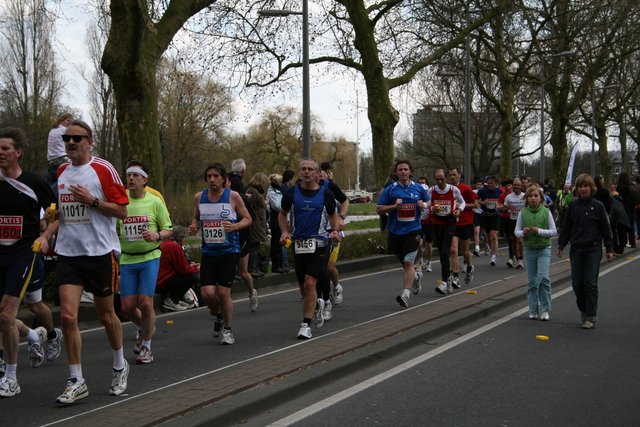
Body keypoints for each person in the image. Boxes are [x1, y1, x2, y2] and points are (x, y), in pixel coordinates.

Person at [53, 120, 130, 403]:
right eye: (67, 138)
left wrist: (93, 202)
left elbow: (122, 211)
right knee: (67, 316)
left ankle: (120, 365)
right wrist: (49, 231)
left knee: (106, 316)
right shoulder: (61, 171)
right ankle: (76, 379)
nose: (71, 143)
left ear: (89, 141)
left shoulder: (103, 169)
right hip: (69, 254)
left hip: (100, 253)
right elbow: (62, 213)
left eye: (77, 138)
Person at [0, 127, 58, 397]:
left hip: (23, 252)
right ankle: (33, 336)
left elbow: (57, 214)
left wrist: (45, 235)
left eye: (5, 149)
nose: (0, 153)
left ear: (18, 153)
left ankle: (10, 377)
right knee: (2, 318)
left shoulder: (34, 183)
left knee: (6, 314)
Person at [189, 163, 252, 345]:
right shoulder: (199, 197)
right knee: (208, 294)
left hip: (229, 251)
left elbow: (248, 218)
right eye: (209, 176)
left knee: (224, 293)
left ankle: (228, 329)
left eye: (216, 176)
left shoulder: (232, 196)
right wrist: (194, 226)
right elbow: (196, 217)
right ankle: (218, 315)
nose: (212, 179)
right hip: (209, 252)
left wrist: (235, 226)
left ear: (224, 179)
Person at [117, 160, 172, 364]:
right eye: (129, 175)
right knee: (128, 307)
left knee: (146, 303)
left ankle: (146, 346)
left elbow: (168, 228)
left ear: (144, 180)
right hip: (127, 258)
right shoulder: (121, 200)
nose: (131, 178)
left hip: (149, 257)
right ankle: (145, 326)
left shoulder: (154, 201)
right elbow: (113, 226)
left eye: (136, 175)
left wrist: (157, 234)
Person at [280, 158, 340, 338]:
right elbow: (282, 214)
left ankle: (305, 326)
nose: (306, 172)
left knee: (309, 282)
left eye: (310, 169)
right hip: (298, 243)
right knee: (303, 288)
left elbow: (333, 214)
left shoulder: (325, 193)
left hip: (320, 242)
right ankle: (316, 306)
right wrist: (284, 232)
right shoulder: (291, 193)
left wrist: (335, 230)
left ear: (316, 173)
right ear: (300, 172)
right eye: (303, 169)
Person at [557, 174, 614, 329]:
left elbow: (605, 229)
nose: (583, 189)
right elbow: (566, 227)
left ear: (591, 188)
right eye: (580, 186)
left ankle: (591, 315)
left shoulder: (598, 206)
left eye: (586, 186)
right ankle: (584, 309)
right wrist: (561, 244)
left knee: (590, 282)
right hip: (576, 249)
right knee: (577, 284)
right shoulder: (573, 206)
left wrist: (609, 248)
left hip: (593, 248)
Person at [376, 160, 430, 307]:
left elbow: (429, 202)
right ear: (396, 172)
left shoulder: (418, 188)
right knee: (405, 264)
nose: (403, 172)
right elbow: (379, 209)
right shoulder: (391, 189)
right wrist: (394, 206)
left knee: (409, 262)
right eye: (400, 170)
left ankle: (405, 294)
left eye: (406, 169)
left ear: (410, 172)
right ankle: (416, 277)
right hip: (395, 231)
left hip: (413, 230)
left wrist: (423, 205)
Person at [515, 186, 557, 320]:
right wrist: (523, 232)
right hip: (529, 250)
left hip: (544, 249)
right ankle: (533, 309)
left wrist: (540, 231)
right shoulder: (523, 213)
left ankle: (545, 309)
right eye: (530, 196)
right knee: (532, 281)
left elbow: (553, 231)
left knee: (544, 278)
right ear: (527, 198)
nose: (533, 198)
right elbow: (517, 231)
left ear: (541, 198)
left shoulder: (546, 212)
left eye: (536, 196)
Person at [428, 169, 465, 295]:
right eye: (437, 179)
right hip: (437, 223)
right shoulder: (432, 190)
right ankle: (448, 279)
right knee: (441, 253)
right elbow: (427, 205)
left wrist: (459, 210)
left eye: (442, 179)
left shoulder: (453, 190)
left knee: (445, 251)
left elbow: (463, 202)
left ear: (447, 178)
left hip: (450, 222)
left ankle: (444, 282)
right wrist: (432, 208)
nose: (439, 182)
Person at [318, 168, 349, 309]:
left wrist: (341, 217)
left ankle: (336, 287)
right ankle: (324, 295)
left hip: (332, 233)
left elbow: (345, 200)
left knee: (329, 267)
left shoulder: (330, 187)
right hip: (317, 234)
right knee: (319, 268)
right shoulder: (301, 188)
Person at [157, 226, 200, 308]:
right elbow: (183, 270)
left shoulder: (164, 244)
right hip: (163, 282)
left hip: (158, 280)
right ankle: (173, 300)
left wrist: (190, 266)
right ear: (180, 238)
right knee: (192, 277)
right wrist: (196, 269)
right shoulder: (175, 247)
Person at [243, 172, 269, 311]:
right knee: (253, 246)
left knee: (256, 246)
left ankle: (255, 267)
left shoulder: (255, 191)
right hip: (255, 224)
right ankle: (252, 268)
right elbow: (248, 206)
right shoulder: (252, 191)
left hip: (258, 223)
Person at [448, 168, 477, 287]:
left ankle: (469, 267)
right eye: (450, 175)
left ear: (459, 175)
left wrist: (462, 206)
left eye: (454, 175)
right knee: (453, 250)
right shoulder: (448, 189)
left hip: (465, 222)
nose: (452, 177)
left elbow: (475, 204)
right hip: (453, 222)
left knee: (465, 251)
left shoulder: (466, 188)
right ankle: (455, 277)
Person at [44, 113, 73, 196]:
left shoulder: (52, 131)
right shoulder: (63, 130)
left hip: (51, 159)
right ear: (61, 121)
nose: (69, 124)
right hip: (62, 157)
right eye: (68, 121)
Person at [477, 175, 503, 266]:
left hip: (496, 215)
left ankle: (494, 255)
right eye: (488, 183)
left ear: (496, 183)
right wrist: (483, 202)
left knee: (494, 235)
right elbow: (475, 200)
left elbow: (504, 201)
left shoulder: (499, 191)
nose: (490, 185)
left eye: (492, 183)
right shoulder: (483, 191)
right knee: (488, 235)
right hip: (486, 215)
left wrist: (499, 206)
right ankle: (490, 248)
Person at [500, 178, 526, 269]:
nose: (516, 187)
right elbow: (503, 208)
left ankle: (521, 260)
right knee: (514, 242)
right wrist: (507, 208)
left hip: (522, 221)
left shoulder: (525, 196)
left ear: (521, 186)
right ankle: (516, 257)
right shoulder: (509, 197)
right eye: (515, 185)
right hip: (512, 220)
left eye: (518, 185)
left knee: (520, 241)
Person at [266, 174, 288, 273]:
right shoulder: (272, 193)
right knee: (276, 242)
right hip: (275, 220)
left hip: (279, 219)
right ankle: (276, 265)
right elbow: (277, 206)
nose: (281, 184)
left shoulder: (278, 192)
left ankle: (281, 263)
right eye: (280, 182)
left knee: (280, 243)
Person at [416, 177, 433, 272]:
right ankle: (420, 261)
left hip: (429, 223)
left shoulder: (430, 197)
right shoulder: (416, 196)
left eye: (423, 182)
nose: (421, 184)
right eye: (420, 182)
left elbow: (434, 207)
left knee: (428, 245)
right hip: (419, 223)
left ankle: (429, 262)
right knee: (419, 243)